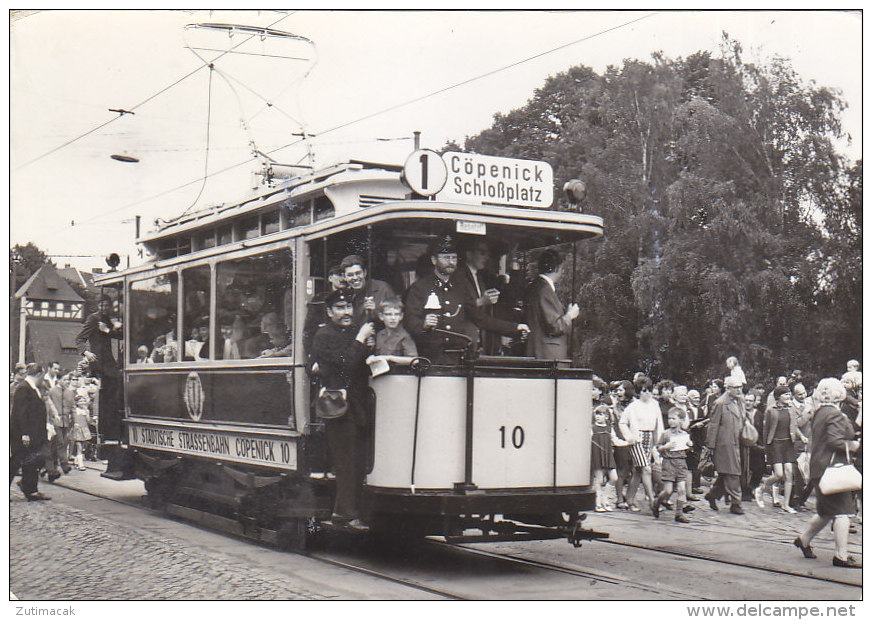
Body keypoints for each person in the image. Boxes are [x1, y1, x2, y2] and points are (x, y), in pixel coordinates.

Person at [309, 289, 376, 531]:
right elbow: (345, 365)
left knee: (357, 461)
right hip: (339, 406)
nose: (346, 312)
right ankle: (346, 514)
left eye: (348, 307)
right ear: (329, 312)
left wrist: (369, 347)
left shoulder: (352, 331)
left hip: (357, 405)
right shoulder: (324, 336)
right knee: (346, 462)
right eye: (339, 308)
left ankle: (346, 511)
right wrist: (361, 340)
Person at [405, 235, 529, 365]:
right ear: (434, 260)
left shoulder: (460, 288)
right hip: (431, 358)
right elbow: (409, 321)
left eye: (453, 258)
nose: (451, 262)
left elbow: (480, 319)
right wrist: (424, 325)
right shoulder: (420, 287)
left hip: (457, 358)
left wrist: (515, 327)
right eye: (446, 258)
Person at [793, 378, 861, 568]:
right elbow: (835, 441)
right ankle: (841, 555)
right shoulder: (835, 414)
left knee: (826, 512)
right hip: (833, 471)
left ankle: (804, 540)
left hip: (819, 468)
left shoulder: (820, 412)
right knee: (843, 513)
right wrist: (855, 446)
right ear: (839, 395)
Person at [76, 296, 125, 475]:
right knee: (111, 389)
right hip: (99, 361)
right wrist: (86, 353)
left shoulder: (107, 319)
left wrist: (112, 329)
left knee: (117, 387)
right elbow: (79, 339)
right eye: (102, 305)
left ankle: (112, 432)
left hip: (108, 360)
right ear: (98, 306)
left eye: (107, 305)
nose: (105, 308)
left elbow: (118, 335)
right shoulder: (93, 318)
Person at [755, 385, 804, 513]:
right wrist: (766, 450)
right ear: (778, 396)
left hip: (788, 444)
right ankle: (762, 488)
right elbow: (766, 431)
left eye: (789, 394)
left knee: (789, 473)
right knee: (779, 474)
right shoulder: (771, 410)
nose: (788, 396)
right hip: (775, 445)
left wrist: (802, 437)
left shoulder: (791, 409)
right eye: (785, 394)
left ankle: (786, 504)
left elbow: (794, 426)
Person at [524, 249, 580, 360]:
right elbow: (554, 326)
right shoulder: (545, 290)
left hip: (538, 352)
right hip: (548, 355)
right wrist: (570, 315)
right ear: (557, 268)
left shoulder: (534, 287)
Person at [618, 375, 663, 513]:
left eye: (649, 390)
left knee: (638, 471)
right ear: (638, 392)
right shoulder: (633, 406)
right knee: (646, 469)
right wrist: (629, 437)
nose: (647, 393)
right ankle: (652, 501)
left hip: (649, 437)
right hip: (637, 439)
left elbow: (659, 424)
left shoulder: (655, 405)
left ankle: (630, 500)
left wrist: (659, 441)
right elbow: (622, 423)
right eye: (644, 390)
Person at [704, 375, 746, 514]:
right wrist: (710, 446)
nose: (739, 390)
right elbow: (713, 425)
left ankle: (713, 494)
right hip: (725, 444)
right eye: (736, 387)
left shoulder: (740, 401)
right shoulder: (720, 403)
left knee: (726, 473)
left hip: (738, 441)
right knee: (733, 473)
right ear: (728, 388)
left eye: (740, 387)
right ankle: (736, 503)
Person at [10, 363, 51, 501]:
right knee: (15, 462)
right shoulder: (24, 388)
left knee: (32, 461)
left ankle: (31, 489)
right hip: (24, 434)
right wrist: (25, 433)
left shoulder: (32, 388)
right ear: (39, 374)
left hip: (34, 434)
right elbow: (21, 413)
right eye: (43, 375)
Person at [458, 239, 503, 355]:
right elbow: (458, 305)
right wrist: (482, 301)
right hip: (464, 338)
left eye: (487, 254)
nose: (486, 257)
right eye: (482, 253)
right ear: (469, 254)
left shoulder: (479, 277)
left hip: (477, 340)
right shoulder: (459, 276)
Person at [652, 407, 693, 523]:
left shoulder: (684, 434)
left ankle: (679, 514)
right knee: (668, 491)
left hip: (681, 463)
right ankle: (657, 502)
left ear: (681, 420)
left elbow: (686, 450)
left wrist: (689, 445)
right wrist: (666, 447)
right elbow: (658, 447)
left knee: (681, 489)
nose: (671, 421)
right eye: (669, 418)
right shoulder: (666, 434)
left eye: (674, 419)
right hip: (669, 463)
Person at [303, 263, 347, 355]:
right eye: (339, 274)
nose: (343, 278)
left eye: (344, 275)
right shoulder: (320, 299)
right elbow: (309, 330)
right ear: (330, 278)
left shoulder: (352, 298)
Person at [340, 254, 396, 326]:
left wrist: (375, 311)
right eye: (350, 275)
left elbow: (396, 317)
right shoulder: (344, 294)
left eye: (358, 273)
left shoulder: (383, 288)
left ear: (365, 273)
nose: (355, 278)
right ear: (344, 277)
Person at [590, 404, 618, 512]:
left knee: (614, 478)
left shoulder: (609, 429)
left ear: (606, 416)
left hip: (607, 455)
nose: (598, 417)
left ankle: (605, 499)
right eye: (597, 414)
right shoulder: (593, 428)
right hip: (597, 455)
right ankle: (598, 503)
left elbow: (615, 440)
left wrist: (627, 442)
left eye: (600, 414)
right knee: (599, 480)